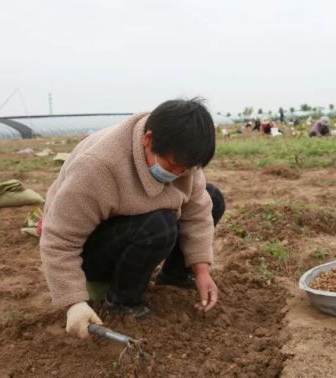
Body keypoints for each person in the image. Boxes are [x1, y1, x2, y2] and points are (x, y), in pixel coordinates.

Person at [40, 99, 225, 339]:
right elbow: (59, 239)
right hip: (92, 248)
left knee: (212, 199)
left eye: (186, 169)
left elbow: (197, 211)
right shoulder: (98, 167)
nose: (177, 174)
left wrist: (201, 270)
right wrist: (73, 302)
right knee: (158, 225)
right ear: (148, 140)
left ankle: (175, 276)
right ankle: (121, 300)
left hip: (134, 224)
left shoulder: (180, 155)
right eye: (172, 165)